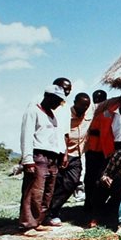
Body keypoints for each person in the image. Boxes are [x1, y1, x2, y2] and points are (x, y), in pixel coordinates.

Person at [19, 84, 66, 233]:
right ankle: (28, 224)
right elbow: (26, 135)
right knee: (34, 191)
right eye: (57, 100)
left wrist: (62, 153)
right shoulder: (33, 110)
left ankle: (41, 219)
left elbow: (57, 136)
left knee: (48, 191)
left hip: (53, 156)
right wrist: (27, 160)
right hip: (38, 155)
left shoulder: (52, 115)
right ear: (48, 96)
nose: (59, 104)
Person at [46, 93, 93, 226]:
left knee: (71, 183)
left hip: (77, 155)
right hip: (62, 154)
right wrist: (63, 154)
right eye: (81, 104)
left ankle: (52, 210)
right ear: (74, 102)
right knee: (56, 184)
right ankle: (49, 213)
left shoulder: (89, 113)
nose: (84, 108)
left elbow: (104, 104)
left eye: (87, 105)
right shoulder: (65, 115)